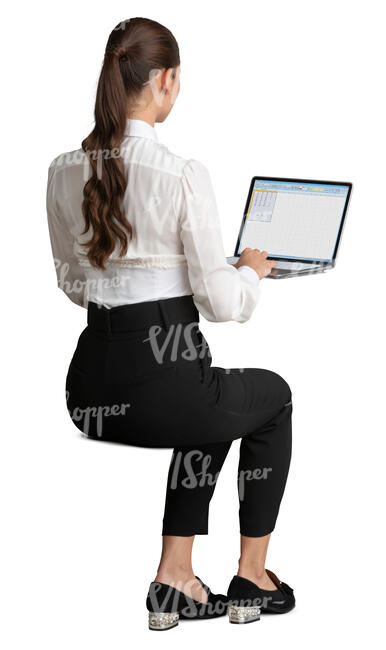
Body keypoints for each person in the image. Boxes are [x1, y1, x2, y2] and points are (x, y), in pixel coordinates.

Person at [46, 17, 295, 631]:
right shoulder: (182, 173)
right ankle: (252, 576)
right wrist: (250, 273)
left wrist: (151, 281)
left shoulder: (61, 169)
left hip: (88, 394)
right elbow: (221, 305)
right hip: (168, 389)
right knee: (271, 398)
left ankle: (174, 579)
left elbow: (72, 283)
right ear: (166, 81)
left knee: (209, 399)